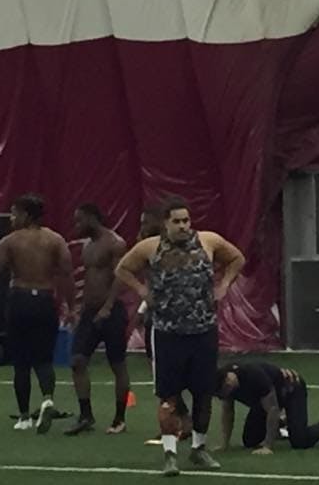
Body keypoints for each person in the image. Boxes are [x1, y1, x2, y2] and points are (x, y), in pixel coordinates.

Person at [115, 196, 246, 476]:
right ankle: (170, 454)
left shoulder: (208, 241)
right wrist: (142, 291)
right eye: (177, 221)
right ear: (166, 223)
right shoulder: (151, 247)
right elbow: (122, 268)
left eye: (186, 220)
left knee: (203, 393)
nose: (183, 226)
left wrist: (224, 285)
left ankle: (199, 448)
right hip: (167, 333)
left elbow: (237, 258)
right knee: (169, 396)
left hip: (202, 331)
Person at [0, 193, 74, 434]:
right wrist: (72, 307)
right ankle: (48, 399)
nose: (11, 219)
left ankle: (24, 417)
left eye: (14, 214)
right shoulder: (56, 240)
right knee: (44, 359)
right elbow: (67, 275)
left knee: (21, 362)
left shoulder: (10, 242)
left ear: (26, 215)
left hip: (20, 300)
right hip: (45, 301)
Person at [63, 203, 131, 436]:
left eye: (80, 220)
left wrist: (108, 307)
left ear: (93, 218)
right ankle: (86, 415)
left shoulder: (115, 243)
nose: (77, 226)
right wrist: (80, 310)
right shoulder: (88, 246)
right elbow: (90, 280)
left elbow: (120, 277)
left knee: (117, 364)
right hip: (90, 311)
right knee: (77, 361)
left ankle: (119, 418)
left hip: (111, 312)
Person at [130, 206, 192, 445]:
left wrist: (142, 308)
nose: (141, 228)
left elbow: (160, 286)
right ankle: (180, 422)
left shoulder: (164, 251)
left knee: (165, 376)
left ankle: (176, 424)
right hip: (156, 316)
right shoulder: (147, 249)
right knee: (161, 375)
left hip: (166, 320)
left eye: (145, 222)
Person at [214, 362, 319, 454]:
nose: (228, 394)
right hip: (263, 401)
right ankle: (283, 423)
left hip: (291, 389)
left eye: (227, 390)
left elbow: (273, 409)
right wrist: (224, 444)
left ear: (228, 379)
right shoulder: (225, 385)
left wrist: (268, 446)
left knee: (300, 441)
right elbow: (227, 412)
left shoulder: (253, 376)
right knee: (250, 440)